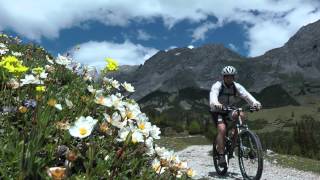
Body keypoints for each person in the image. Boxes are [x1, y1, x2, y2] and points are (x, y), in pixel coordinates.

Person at [209, 65, 262, 167]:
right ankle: (220, 155)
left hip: (230, 110)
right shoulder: (217, 85)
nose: (229, 78)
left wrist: (255, 104)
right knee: (222, 129)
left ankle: (235, 135)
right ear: (223, 77)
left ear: (234, 77)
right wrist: (216, 103)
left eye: (231, 76)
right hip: (218, 111)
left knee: (240, 114)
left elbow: (246, 96)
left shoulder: (236, 86)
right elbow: (213, 96)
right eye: (227, 76)